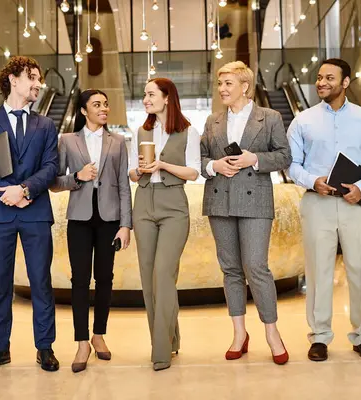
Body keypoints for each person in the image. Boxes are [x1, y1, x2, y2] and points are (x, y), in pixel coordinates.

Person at [287, 58, 361, 362]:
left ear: (345, 82)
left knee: (359, 269)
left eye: (329, 78)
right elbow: (292, 164)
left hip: (356, 203)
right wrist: (311, 180)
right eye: (319, 77)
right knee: (318, 272)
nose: (322, 83)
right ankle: (319, 337)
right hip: (316, 202)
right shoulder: (302, 121)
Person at [0, 56, 59, 373]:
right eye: (31, 77)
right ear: (13, 80)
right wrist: (6, 191)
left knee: (41, 282)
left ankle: (45, 348)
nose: (37, 84)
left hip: (35, 213)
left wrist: (25, 190)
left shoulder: (46, 125)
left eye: (38, 78)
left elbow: (51, 167)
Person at [200, 61, 292, 364]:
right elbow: (201, 157)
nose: (222, 89)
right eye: (220, 83)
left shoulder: (270, 117)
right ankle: (239, 333)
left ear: (245, 86)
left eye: (228, 83)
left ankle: (271, 332)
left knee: (256, 267)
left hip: (255, 201)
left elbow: (284, 156)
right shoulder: (213, 120)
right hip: (219, 200)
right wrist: (214, 165)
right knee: (231, 269)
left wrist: (254, 159)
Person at [50, 89, 132, 373]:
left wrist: (126, 225)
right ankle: (82, 341)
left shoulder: (119, 142)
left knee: (105, 278)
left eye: (105, 104)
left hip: (110, 219)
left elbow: (124, 185)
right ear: (83, 111)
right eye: (97, 104)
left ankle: (99, 335)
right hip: (80, 219)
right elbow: (54, 182)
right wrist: (77, 177)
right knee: (80, 280)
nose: (104, 108)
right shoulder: (67, 141)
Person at [128, 78, 201, 371]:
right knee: (148, 277)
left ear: (167, 97)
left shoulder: (188, 132)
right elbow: (132, 174)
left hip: (173, 205)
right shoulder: (141, 131)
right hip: (143, 202)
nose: (146, 99)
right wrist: (138, 170)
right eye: (144, 94)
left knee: (163, 274)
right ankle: (171, 340)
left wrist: (162, 165)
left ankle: (159, 350)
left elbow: (194, 172)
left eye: (150, 94)